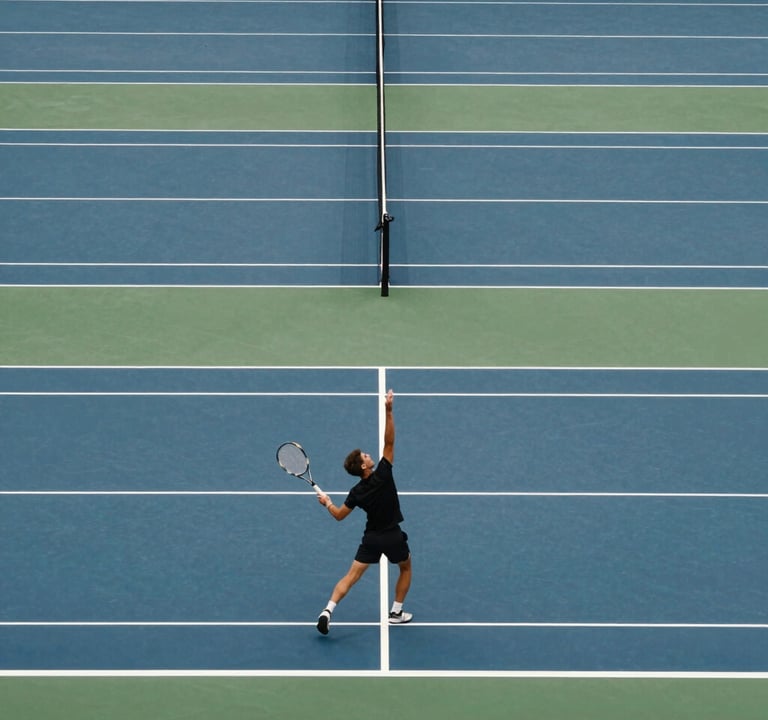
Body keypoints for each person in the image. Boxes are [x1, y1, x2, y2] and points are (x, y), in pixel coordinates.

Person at [316, 388, 412, 635]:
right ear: (363, 465)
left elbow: (338, 515)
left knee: (351, 576)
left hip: (371, 539)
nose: (370, 455)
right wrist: (389, 410)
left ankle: (328, 610)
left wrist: (326, 502)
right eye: (366, 456)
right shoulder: (383, 473)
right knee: (405, 567)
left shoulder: (356, 492)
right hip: (392, 535)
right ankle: (396, 612)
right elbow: (389, 442)